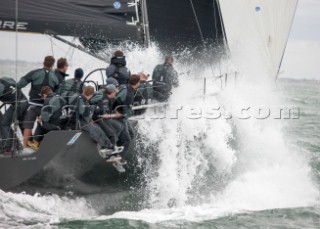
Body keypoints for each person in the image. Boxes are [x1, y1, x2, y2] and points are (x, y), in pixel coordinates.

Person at [17, 56, 60, 148]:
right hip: (46, 106)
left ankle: (25, 147)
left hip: (33, 105)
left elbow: (21, 84)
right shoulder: (55, 78)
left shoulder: (35, 73)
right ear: (53, 65)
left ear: (43, 62)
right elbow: (57, 93)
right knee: (42, 125)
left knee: (28, 125)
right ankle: (39, 146)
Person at [76, 85, 122, 159]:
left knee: (113, 129)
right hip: (82, 122)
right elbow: (84, 113)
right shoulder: (83, 100)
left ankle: (111, 147)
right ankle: (109, 147)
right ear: (91, 95)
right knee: (97, 131)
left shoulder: (84, 100)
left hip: (89, 119)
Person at [112, 74, 141, 158]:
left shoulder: (123, 86)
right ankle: (117, 157)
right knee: (127, 140)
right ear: (137, 83)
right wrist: (134, 112)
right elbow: (125, 112)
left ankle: (117, 147)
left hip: (117, 112)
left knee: (131, 134)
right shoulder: (129, 94)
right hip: (118, 116)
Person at [0, 77, 28, 154]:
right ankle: (28, 145)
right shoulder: (6, 79)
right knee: (22, 124)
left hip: (17, 104)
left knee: (4, 124)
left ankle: (7, 149)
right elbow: (16, 85)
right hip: (25, 101)